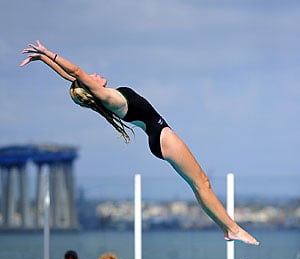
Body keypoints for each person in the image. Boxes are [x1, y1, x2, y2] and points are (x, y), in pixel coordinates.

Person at [20, 40, 259, 246]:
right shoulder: (107, 97)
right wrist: (49, 52)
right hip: (162, 135)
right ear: (90, 88)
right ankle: (233, 229)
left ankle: (227, 229)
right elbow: (77, 72)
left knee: (198, 185)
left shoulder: (106, 97)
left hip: (158, 138)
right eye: (90, 78)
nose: (94, 75)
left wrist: (43, 59)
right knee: (202, 183)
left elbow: (71, 76)